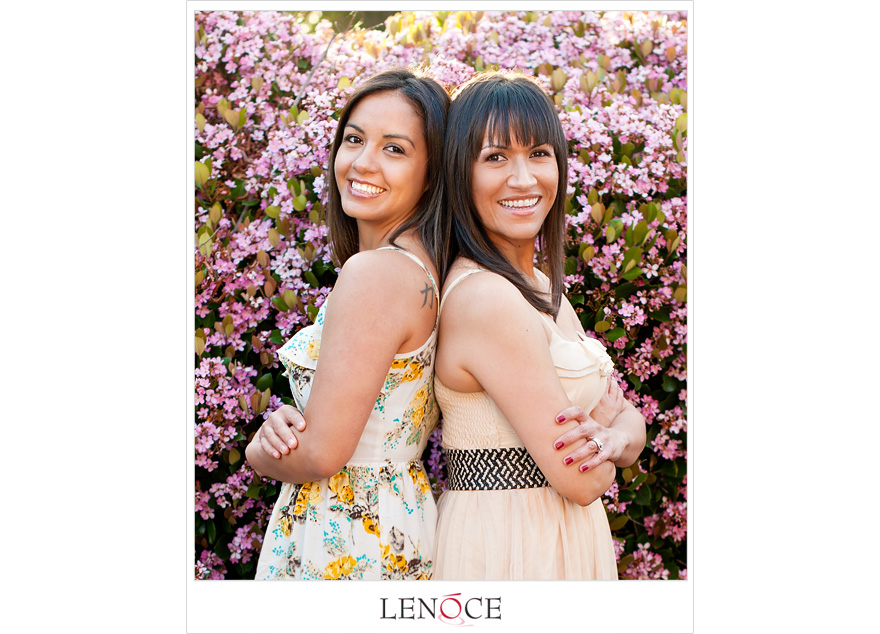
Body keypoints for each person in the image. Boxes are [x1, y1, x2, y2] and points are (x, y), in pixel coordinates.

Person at [430, 71, 647, 580]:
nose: (524, 179)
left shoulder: (541, 287)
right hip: (511, 547)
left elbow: (629, 425)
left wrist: (614, 438)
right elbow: (582, 480)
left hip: (558, 536)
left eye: (539, 153)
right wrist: (611, 435)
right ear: (460, 173)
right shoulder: (485, 298)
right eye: (496, 157)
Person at [244, 68, 450, 580]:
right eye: (354, 139)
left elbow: (320, 455)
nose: (362, 162)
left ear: (433, 172)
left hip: (345, 534)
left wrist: (257, 451)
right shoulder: (425, 269)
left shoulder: (375, 274)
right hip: (397, 522)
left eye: (394, 149)